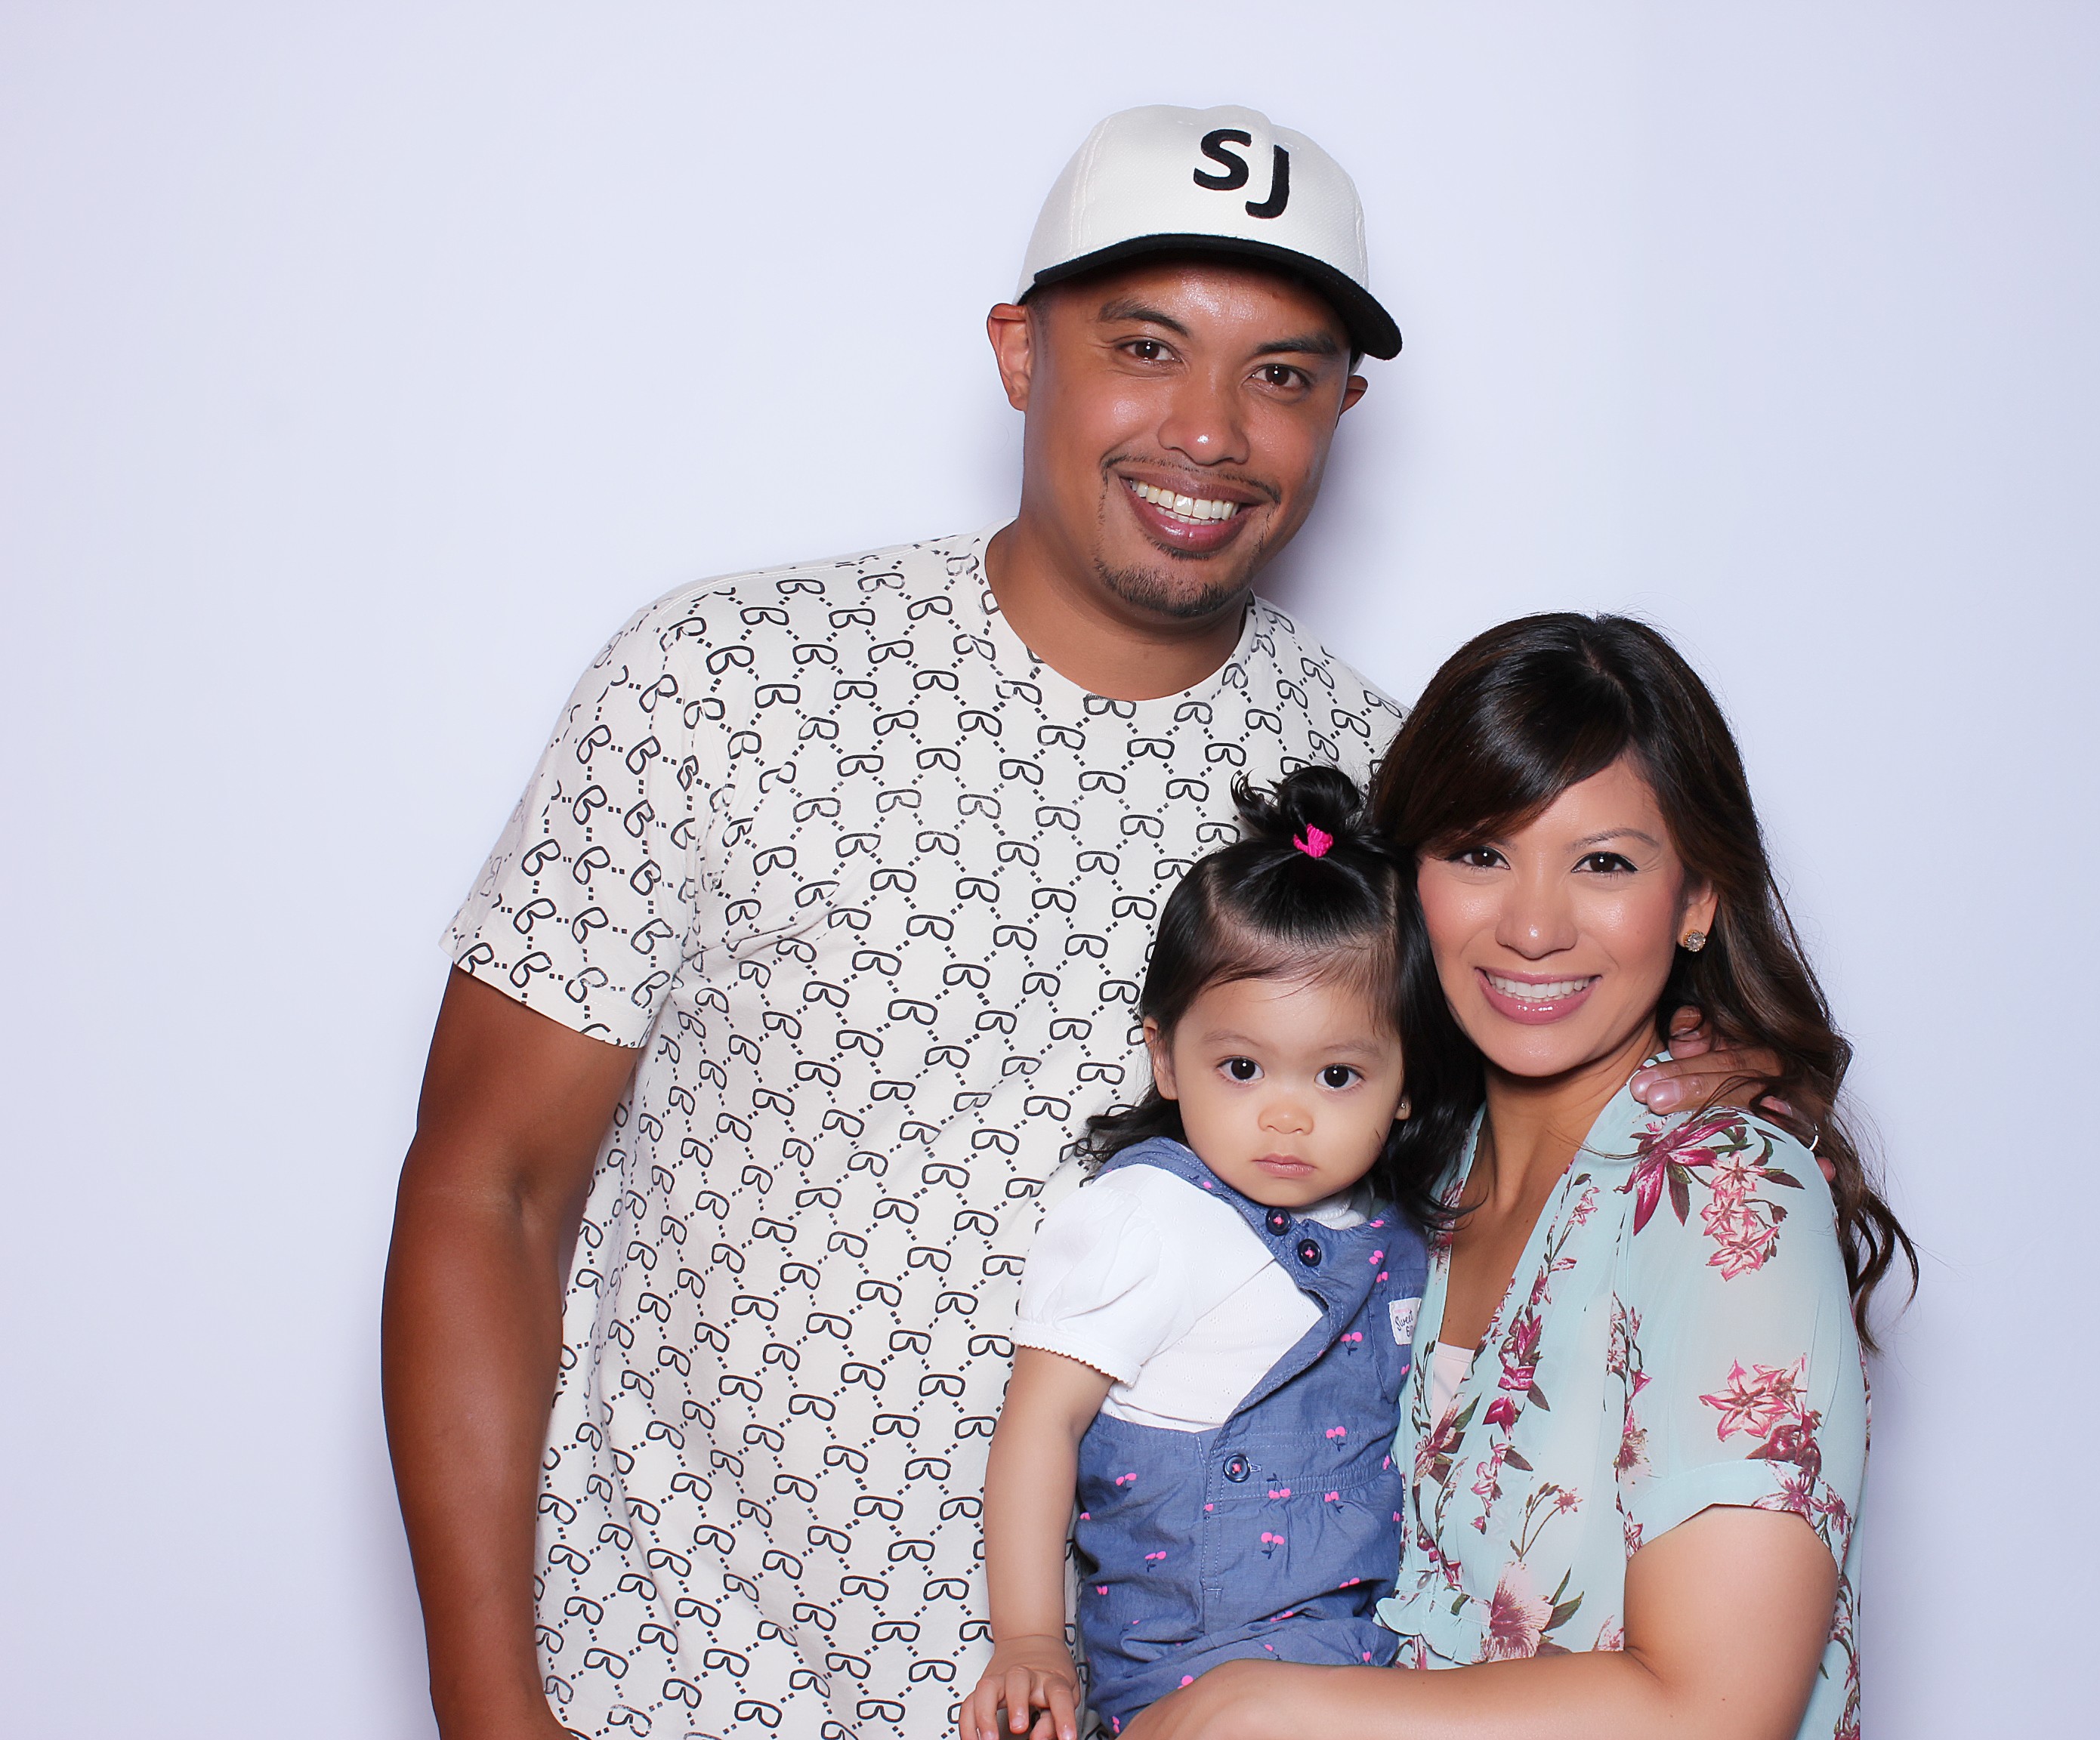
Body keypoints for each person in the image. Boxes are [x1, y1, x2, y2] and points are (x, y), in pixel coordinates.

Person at [382, 107, 1756, 1740]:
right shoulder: (720, 682)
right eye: (1146, 346)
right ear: (1021, 350)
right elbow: (488, 1184)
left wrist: (1709, 1100)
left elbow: (1531, 1155)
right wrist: (491, 1706)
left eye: (1282, 373)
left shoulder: (1390, 794)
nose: (1210, 429)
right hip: (674, 1685)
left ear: (1344, 410)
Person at [1126, 615, 1913, 1740]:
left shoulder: (1727, 1196)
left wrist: (1268, 1704)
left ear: (1697, 898)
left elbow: (1719, 1708)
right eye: (1480, 853)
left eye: (1605, 864)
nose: (1534, 927)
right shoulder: (1393, 1166)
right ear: (1408, 882)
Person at [960, 768, 1461, 1740]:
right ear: (1165, 1057)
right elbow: (1040, 1423)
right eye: (1242, 1068)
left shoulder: (1403, 1224)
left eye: (1337, 1075)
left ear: (1407, 1082)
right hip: (1188, 1677)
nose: (1286, 1114)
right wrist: (1028, 1638)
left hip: (1371, 1663)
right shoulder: (1149, 1217)